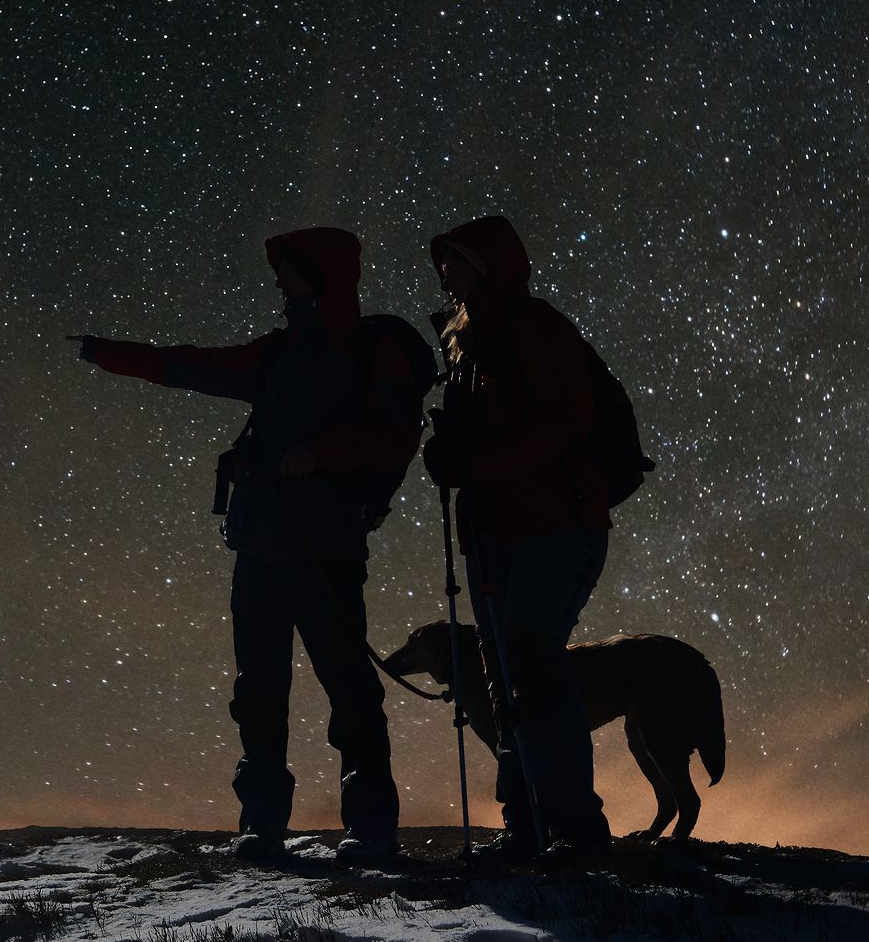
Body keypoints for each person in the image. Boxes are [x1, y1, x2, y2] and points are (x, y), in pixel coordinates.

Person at [69, 228, 421, 863]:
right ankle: (265, 825)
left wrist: (320, 456)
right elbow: (195, 365)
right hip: (264, 549)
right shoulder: (282, 350)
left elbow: (395, 437)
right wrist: (108, 353)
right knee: (261, 691)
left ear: (324, 276)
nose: (280, 280)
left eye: (292, 270)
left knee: (346, 689)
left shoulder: (366, 350)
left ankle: (367, 829)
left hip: (322, 551)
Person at [421, 215, 613, 858]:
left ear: (487, 264)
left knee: (528, 663)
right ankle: (529, 822)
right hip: (500, 531)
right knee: (508, 673)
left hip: (553, 525)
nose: (443, 271)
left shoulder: (532, 327)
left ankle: (573, 827)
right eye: (442, 262)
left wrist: (470, 463)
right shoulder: (463, 342)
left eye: (455, 260)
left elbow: (566, 421)